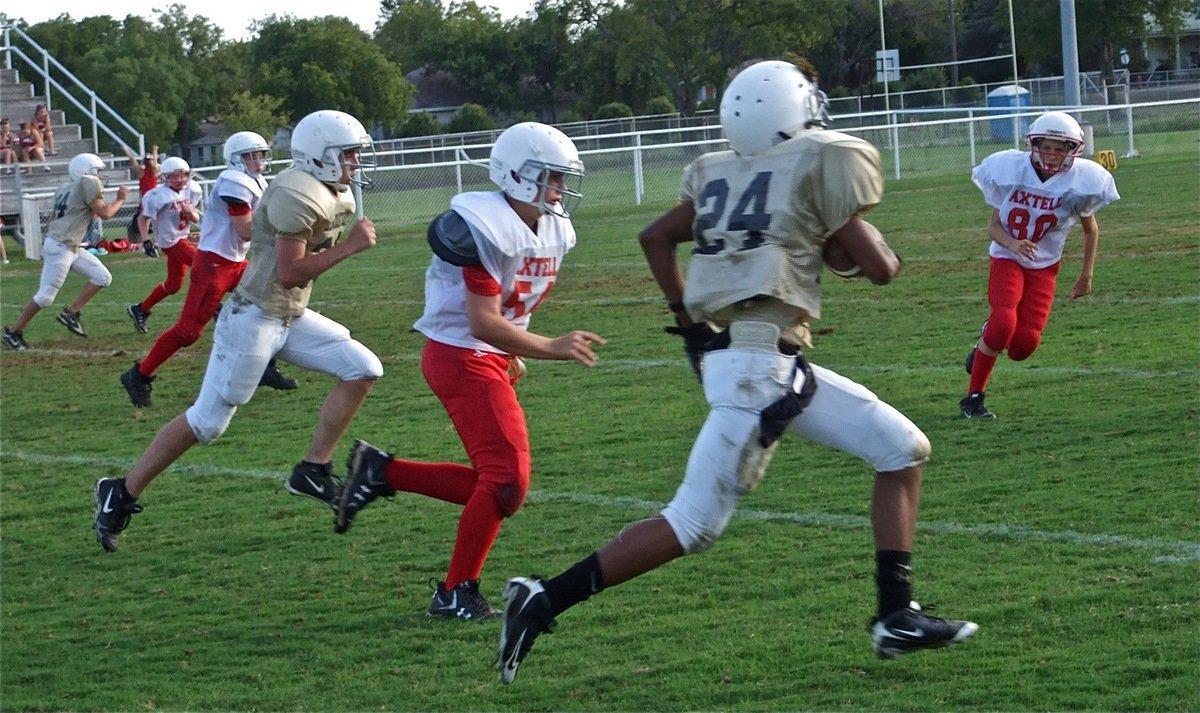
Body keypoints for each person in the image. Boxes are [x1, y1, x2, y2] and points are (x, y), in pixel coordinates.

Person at [485, 60, 979, 684]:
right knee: (692, 524)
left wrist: (690, 325)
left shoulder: (721, 172)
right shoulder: (814, 161)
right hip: (758, 372)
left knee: (902, 448)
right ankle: (543, 597)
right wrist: (861, 239)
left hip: (746, 356)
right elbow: (881, 269)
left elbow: (655, 237)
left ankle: (895, 615)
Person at [329, 122, 604, 621]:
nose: (561, 189)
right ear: (519, 177)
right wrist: (549, 346)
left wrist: (514, 349)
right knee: (506, 480)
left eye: (563, 178)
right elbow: (483, 321)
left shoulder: (552, 226)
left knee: (500, 484)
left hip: (485, 355)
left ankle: (381, 472)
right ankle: (455, 592)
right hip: (461, 355)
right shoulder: (480, 223)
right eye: (553, 178)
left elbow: (511, 304)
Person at [92, 110, 382, 553]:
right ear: (320, 157)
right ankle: (122, 491)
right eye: (348, 155)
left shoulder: (325, 189)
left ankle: (313, 469)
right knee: (206, 423)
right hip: (254, 317)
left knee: (363, 367)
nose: (355, 165)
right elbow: (289, 272)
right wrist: (350, 247)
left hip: (289, 315)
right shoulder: (296, 194)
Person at [960, 111, 1119, 419]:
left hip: (1045, 266)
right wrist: (1013, 244)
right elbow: (993, 228)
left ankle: (984, 340)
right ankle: (973, 398)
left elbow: (1091, 230)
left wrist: (1086, 275)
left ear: (1074, 150)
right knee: (1004, 322)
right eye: (1048, 146)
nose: (1053, 154)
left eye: (1061, 148)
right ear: (1034, 144)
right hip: (1008, 257)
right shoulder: (1011, 170)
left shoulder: (1081, 182)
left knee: (1023, 346)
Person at [121, 131, 298, 408]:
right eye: (251, 155)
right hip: (215, 264)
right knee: (187, 333)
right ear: (236, 159)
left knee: (269, 300)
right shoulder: (233, 181)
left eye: (261, 154)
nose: (259, 160)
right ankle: (139, 375)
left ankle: (264, 366)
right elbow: (247, 230)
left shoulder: (256, 180)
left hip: (234, 261)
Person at [2, 154, 128, 350]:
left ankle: (71, 312)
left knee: (102, 277)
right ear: (86, 170)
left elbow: (55, 218)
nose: (101, 175)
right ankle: (13, 333)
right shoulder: (88, 182)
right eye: (98, 171)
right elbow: (106, 214)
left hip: (67, 244)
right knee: (45, 297)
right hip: (62, 246)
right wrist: (120, 199)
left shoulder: (66, 187)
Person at [125, 156, 203, 334]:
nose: (179, 180)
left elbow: (195, 218)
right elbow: (142, 218)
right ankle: (213, 308)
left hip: (183, 237)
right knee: (203, 266)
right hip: (170, 241)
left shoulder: (192, 189)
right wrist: (146, 241)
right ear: (165, 178)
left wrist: (190, 212)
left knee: (174, 285)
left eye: (182, 175)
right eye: (174, 176)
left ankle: (140, 309)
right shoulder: (158, 196)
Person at [122, 145, 162, 256]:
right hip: (155, 198)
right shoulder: (155, 171)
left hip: (146, 199)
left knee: (145, 221)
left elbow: (132, 161)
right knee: (156, 221)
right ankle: (157, 241)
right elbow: (155, 160)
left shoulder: (142, 172)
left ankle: (147, 242)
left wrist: (126, 151)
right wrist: (155, 151)